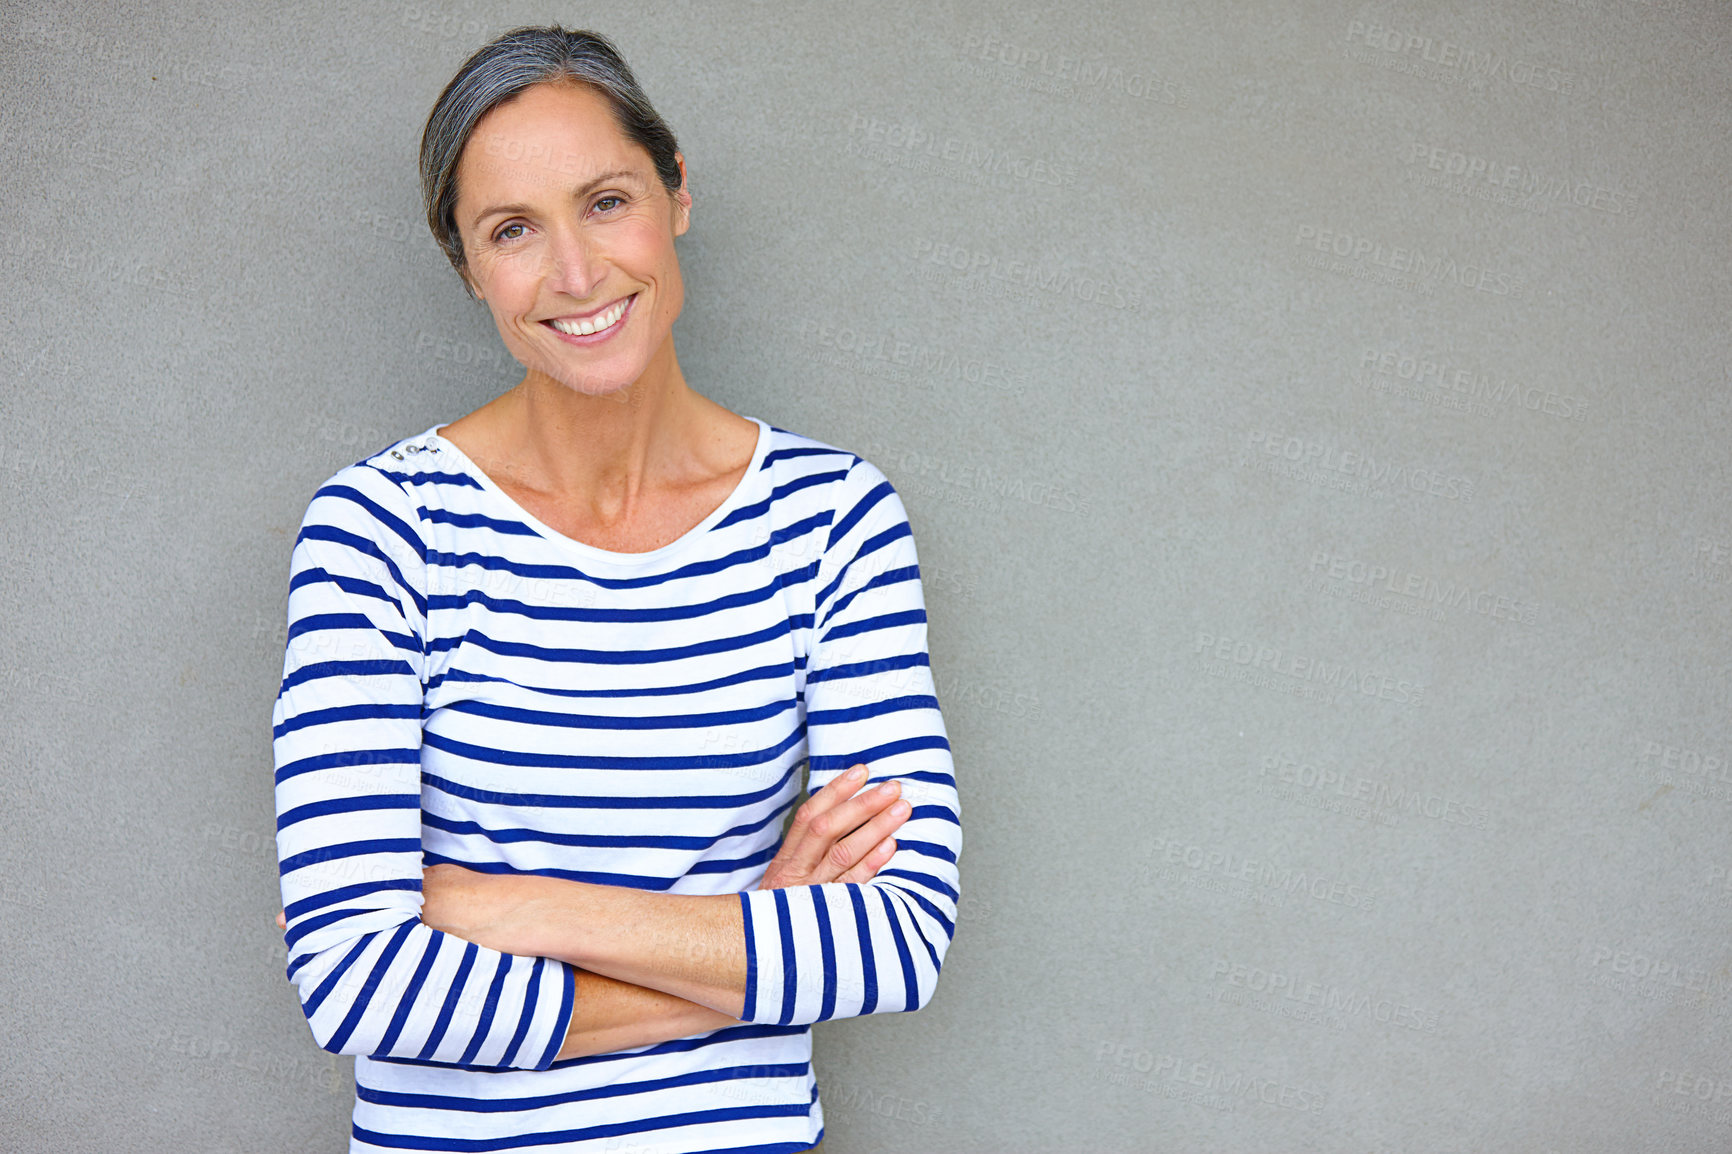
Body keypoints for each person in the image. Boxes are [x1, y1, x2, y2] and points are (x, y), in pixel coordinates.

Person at [270, 24, 962, 1154]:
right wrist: (749, 944)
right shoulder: (382, 530)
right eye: (511, 230)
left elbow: (895, 942)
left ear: (675, 190)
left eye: (604, 201)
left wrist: (519, 904)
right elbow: (356, 980)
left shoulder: (832, 520)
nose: (578, 275)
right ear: (467, 266)